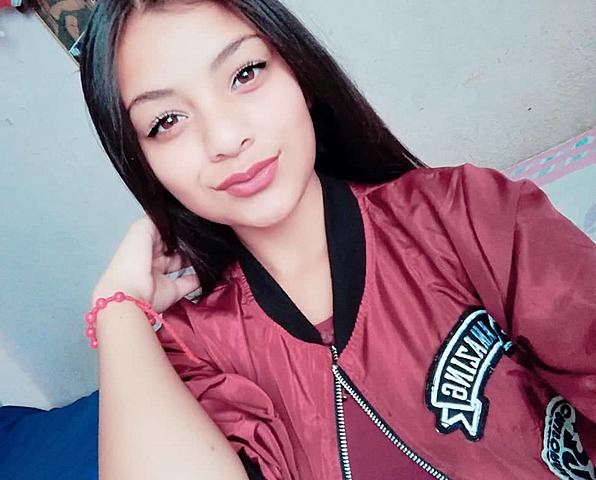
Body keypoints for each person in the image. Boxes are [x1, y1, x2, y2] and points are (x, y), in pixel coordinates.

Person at [79, 0, 596, 479]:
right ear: (143, 161)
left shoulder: (464, 214)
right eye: (167, 121)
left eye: (245, 73)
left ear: (299, 75)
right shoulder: (194, 352)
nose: (226, 138)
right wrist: (115, 310)